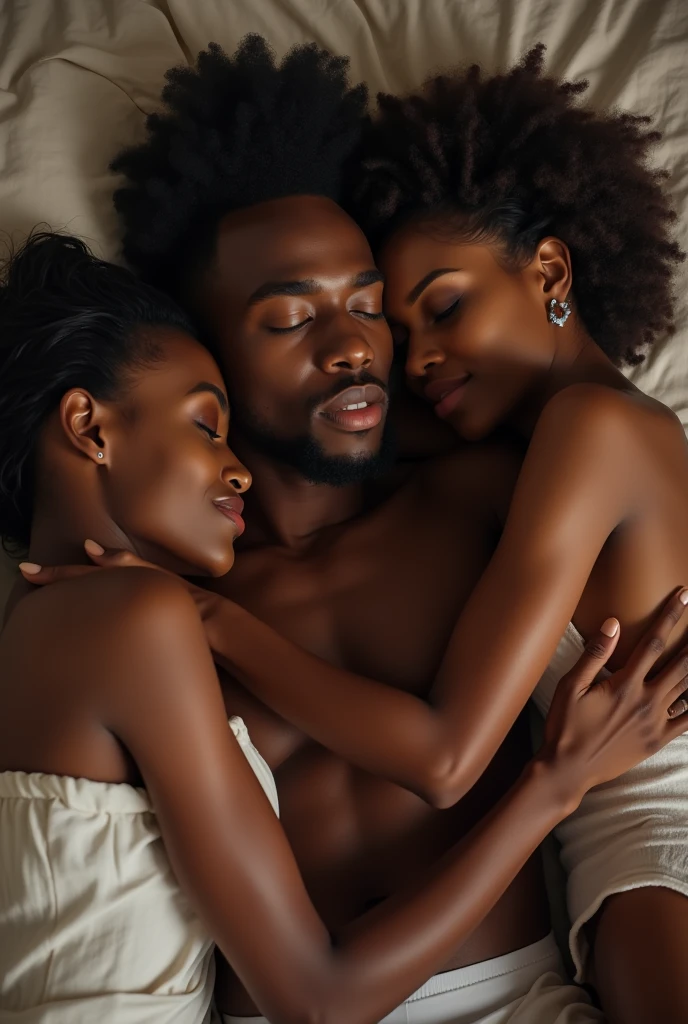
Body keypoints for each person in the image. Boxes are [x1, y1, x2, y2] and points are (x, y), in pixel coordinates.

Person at [22, 36, 684, 1022]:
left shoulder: (486, 496)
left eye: (370, 311)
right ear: (206, 353)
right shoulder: (146, 594)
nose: (353, 347)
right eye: (291, 320)